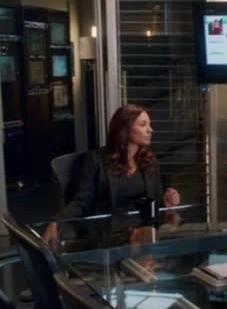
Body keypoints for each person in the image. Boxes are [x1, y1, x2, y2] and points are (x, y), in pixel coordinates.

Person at [42, 104, 180, 245]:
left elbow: (155, 200)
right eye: (143, 125)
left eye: (149, 125)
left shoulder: (149, 161)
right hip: (111, 234)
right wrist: (56, 222)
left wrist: (167, 201)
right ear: (125, 128)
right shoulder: (96, 160)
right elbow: (81, 201)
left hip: (144, 232)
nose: (150, 130)